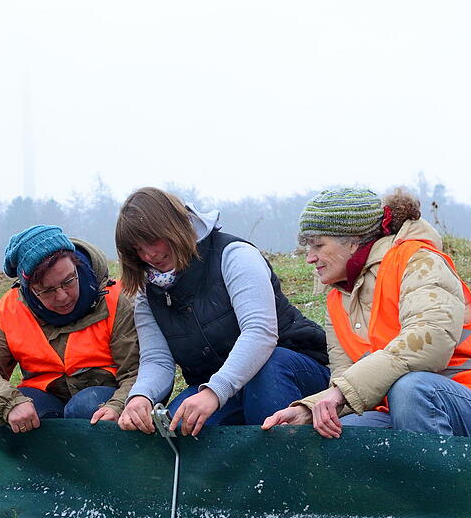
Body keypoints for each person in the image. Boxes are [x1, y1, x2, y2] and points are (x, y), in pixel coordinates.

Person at [262, 187, 471, 442]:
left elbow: (430, 342)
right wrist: (310, 411)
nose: (309, 257)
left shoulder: (417, 260)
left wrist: (340, 393)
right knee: (336, 436)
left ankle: (445, 491)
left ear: (353, 242)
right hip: (404, 412)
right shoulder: (337, 298)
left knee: (412, 388)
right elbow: (347, 384)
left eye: (318, 245)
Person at [114, 187, 330, 437]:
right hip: (219, 384)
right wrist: (141, 396)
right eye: (138, 250)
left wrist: (215, 391)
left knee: (268, 374)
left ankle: (287, 469)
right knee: (181, 426)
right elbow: (156, 358)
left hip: (290, 367)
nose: (150, 255)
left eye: (153, 241)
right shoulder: (146, 290)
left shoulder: (234, 254)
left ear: (173, 227)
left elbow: (260, 332)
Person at [0, 225, 139, 433]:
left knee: (85, 406)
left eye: (68, 281)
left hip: (105, 401)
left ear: (76, 264)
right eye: (47, 290)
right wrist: (9, 404)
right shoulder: (12, 310)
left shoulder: (117, 300)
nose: (62, 296)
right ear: (28, 288)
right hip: (45, 402)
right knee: (8, 418)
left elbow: (138, 370)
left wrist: (118, 405)